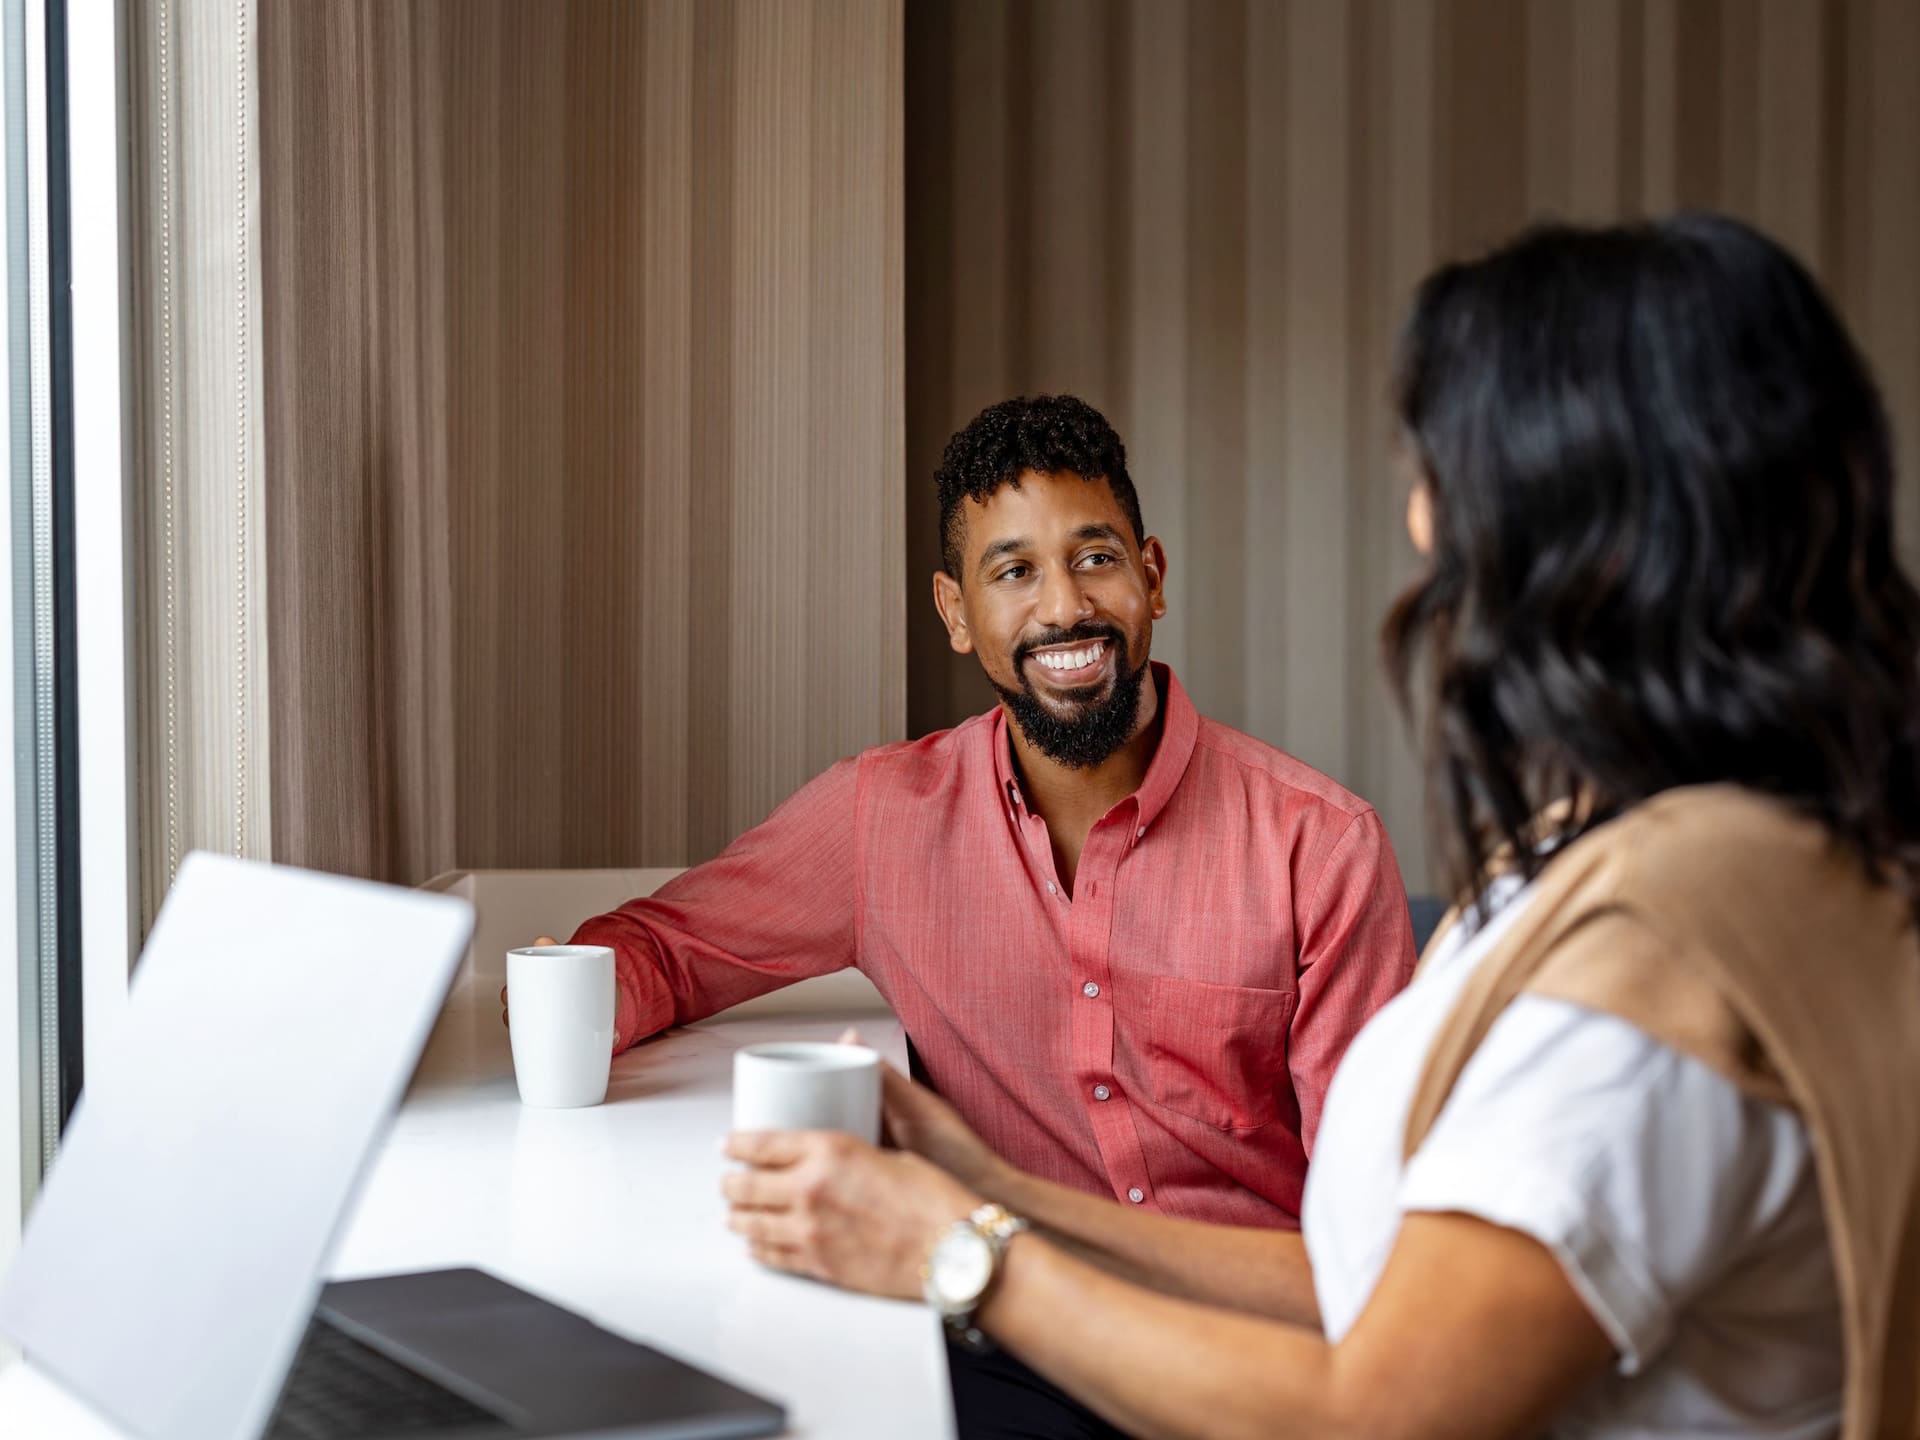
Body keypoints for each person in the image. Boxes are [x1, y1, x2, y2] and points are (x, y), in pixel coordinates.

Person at [720, 214, 1920, 1440]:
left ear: (1589, 536)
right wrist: (990, 1187)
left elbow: (1377, 1413)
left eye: (1445, 475)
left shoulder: (1645, 985)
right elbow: (1376, 1281)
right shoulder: (1757, 851)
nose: (1418, 526)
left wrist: (960, 1254)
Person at [514, 393, 1418, 1437]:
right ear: (955, 612)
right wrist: (559, 1002)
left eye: (1095, 557)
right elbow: (666, 950)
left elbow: (1380, 1253)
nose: (1065, 607)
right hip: (1008, 1347)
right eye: (1013, 571)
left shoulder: (1321, 844)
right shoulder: (879, 819)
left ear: (1153, 576)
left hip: (1246, 1360)